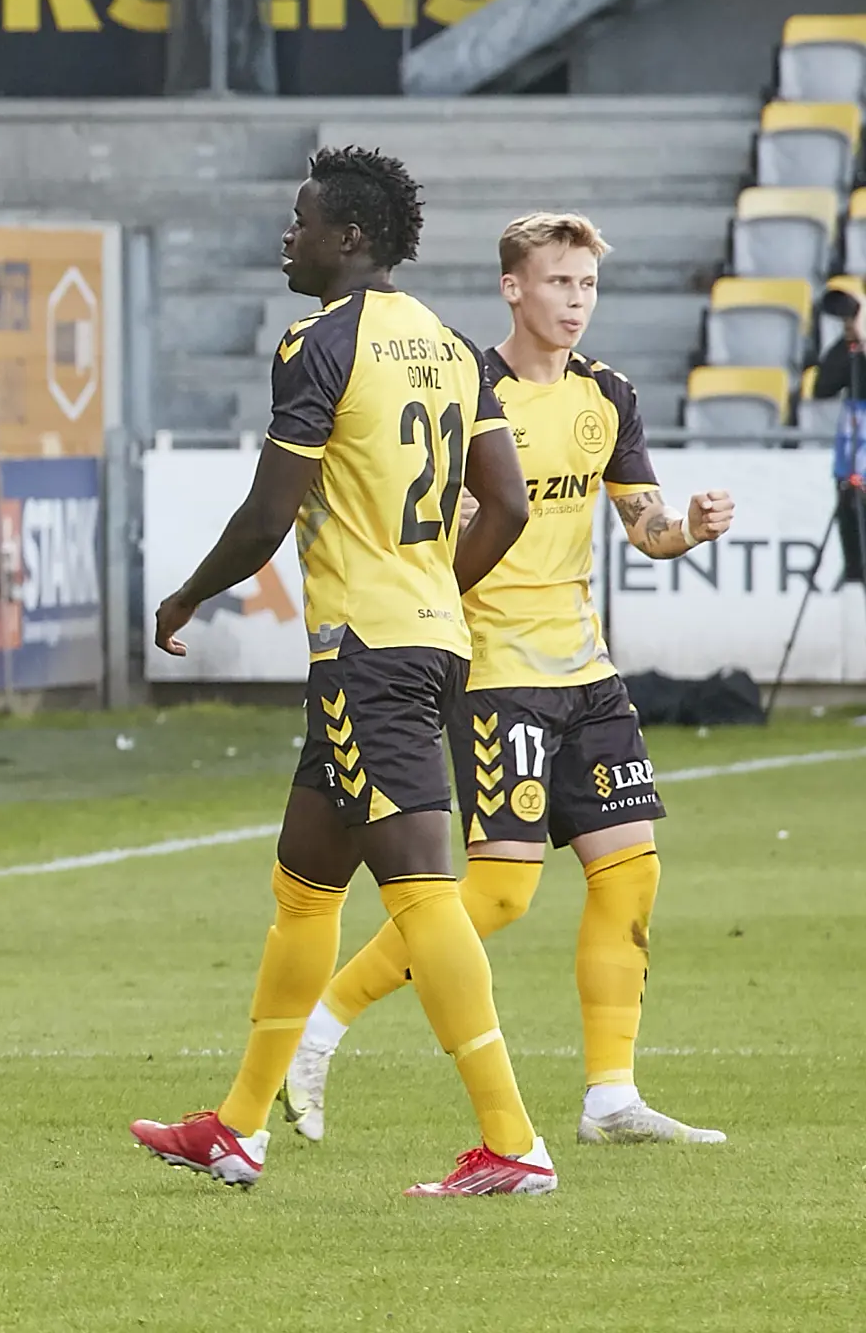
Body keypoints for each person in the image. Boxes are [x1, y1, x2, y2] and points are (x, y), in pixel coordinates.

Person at [132, 146, 554, 1199]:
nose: (289, 235)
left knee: (422, 891)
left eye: (302, 219)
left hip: (367, 654)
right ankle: (236, 1127)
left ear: (349, 237)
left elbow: (268, 513)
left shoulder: (319, 341)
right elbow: (504, 503)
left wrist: (186, 596)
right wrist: (432, 590)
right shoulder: (456, 349)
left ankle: (511, 1141)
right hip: (416, 641)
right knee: (303, 882)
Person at [283, 213, 734, 1147]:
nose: (576, 302)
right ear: (513, 288)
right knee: (497, 896)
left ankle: (610, 1097)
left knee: (629, 873)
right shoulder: (464, 385)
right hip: (494, 673)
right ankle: (318, 1029)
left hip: (589, 674)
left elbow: (644, 527)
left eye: (588, 286)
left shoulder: (607, 395)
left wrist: (685, 526)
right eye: (560, 283)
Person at [808, 289, 866, 585]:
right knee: (856, 558)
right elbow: (823, 386)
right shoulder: (852, 350)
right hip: (853, 464)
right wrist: (851, 341)